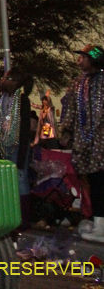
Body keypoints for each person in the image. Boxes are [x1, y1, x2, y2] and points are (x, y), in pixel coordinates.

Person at [58, 44, 104, 242]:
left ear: (92, 59)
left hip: (101, 140)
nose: (80, 59)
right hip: (86, 142)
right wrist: (67, 131)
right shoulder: (78, 83)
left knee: (101, 180)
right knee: (94, 180)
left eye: (83, 56)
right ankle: (98, 222)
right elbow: (71, 110)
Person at [0, 68, 34, 227]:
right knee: (8, 183)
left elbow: (24, 129)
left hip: (18, 146)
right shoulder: (2, 98)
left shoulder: (22, 100)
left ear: (14, 82)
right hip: (6, 145)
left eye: (5, 78)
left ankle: (25, 220)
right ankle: (11, 217)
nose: (2, 81)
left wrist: (21, 156)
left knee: (21, 180)